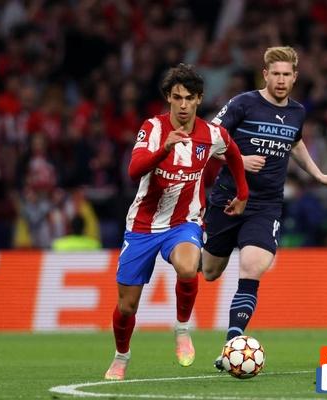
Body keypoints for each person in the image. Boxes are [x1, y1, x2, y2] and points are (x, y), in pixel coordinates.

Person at [200, 46, 327, 370]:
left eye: (286, 75)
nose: (281, 80)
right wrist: (238, 159)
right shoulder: (243, 103)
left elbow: (296, 142)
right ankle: (185, 250)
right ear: (265, 74)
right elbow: (208, 139)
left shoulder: (297, 112)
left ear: (295, 77)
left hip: (266, 205)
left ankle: (232, 345)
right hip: (228, 198)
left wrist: (319, 174)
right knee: (210, 272)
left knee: (252, 267)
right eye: (275, 74)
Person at [104, 64, 249, 380]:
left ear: (199, 99)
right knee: (127, 307)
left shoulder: (211, 134)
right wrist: (164, 149)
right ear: (168, 98)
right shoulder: (152, 129)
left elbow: (234, 153)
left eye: (189, 98)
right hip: (142, 226)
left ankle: (182, 328)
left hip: (184, 222)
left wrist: (243, 192)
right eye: (177, 97)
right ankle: (121, 357)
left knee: (187, 266)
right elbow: (133, 171)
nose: (183, 105)